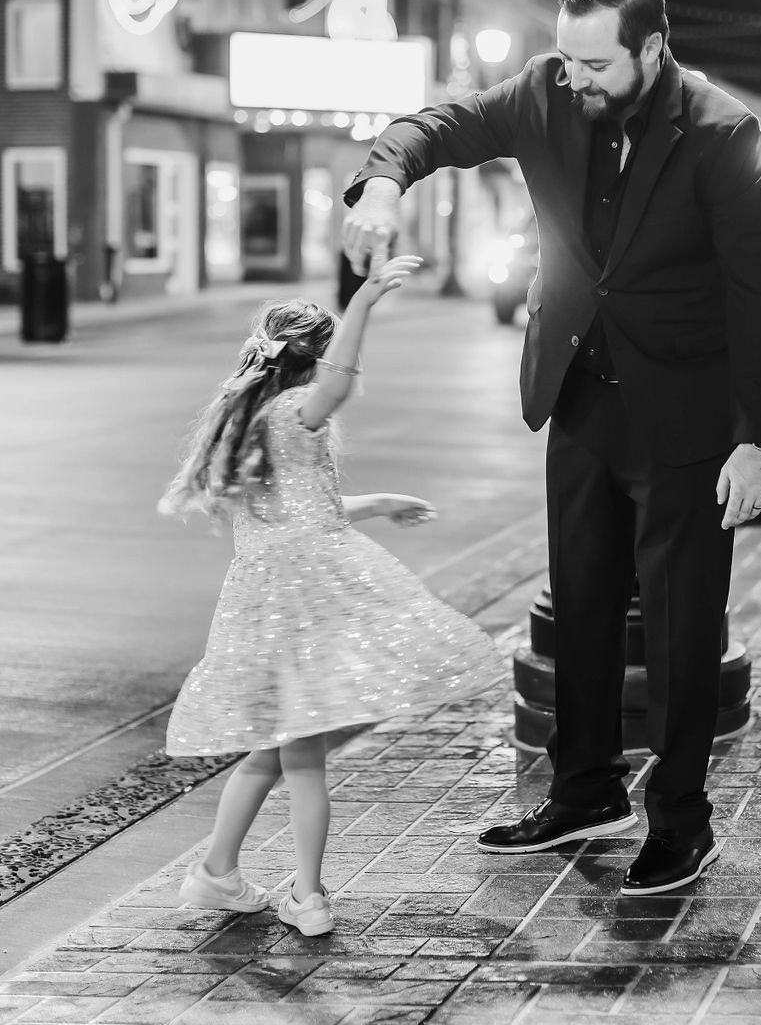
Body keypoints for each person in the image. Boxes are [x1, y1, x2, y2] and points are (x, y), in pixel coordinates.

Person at [341, 0, 761, 897]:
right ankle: (585, 790)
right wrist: (382, 183)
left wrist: (760, 440)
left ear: (652, 48)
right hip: (583, 397)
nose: (576, 79)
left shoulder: (722, 132)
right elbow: (438, 125)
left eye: (596, 65)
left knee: (678, 631)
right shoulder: (548, 92)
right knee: (582, 606)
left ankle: (680, 821)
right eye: (567, 59)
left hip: (687, 420)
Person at [158, 257, 505, 936]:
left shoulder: (248, 417)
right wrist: (367, 303)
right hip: (301, 599)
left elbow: (301, 509)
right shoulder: (295, 410)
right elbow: (340, 387)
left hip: (265, 602)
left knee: (274, 748)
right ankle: (308, 896)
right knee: (302, 751)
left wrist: (377, 502)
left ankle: (217, 874)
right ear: (312, 359)